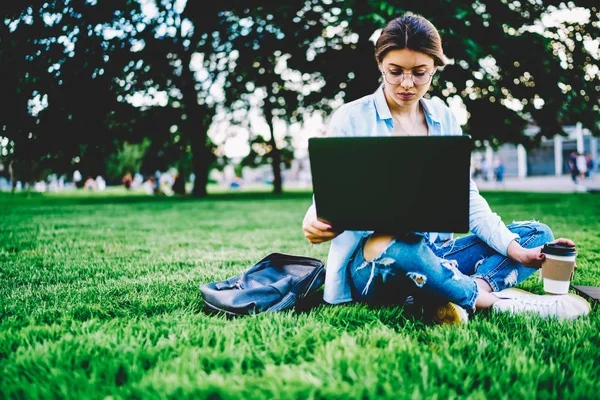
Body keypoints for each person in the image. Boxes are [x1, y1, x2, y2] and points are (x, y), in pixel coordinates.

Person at [302, 14, 590, 324]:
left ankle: (447, 294)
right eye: (395, 72)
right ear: (380, 65)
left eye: (420, 73)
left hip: (438, 254)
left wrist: (516, 251)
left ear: (435, 68)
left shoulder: (442, 117)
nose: (407, 84)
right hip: (377, 263)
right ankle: (492, 301)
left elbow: (465, 196)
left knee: (536, 235)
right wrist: (313, 218)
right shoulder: (351, 118)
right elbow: (332, 195)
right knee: (405, 247)